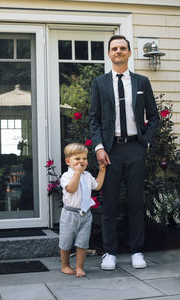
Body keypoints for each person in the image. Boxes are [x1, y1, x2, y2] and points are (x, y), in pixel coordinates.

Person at [89, 35, 159, 270]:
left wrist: (145, 142)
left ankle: (137, 251)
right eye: (114, 49)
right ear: (109, 54)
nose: (118, 51)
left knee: (135, 202)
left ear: (129, 53)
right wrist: (99, 147)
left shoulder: (142, 82)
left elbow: (154, 116)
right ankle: (109, 252)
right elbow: (94, 119)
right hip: (110, 150)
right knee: (109, 203)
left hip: (134, 148)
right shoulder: (99, 83)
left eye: (122, 48)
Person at [59, 142, 106, 277]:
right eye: (77, 159)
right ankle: (65, 265)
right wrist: (77, 173)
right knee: (66, 241)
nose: (81, 161)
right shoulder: (67, 176)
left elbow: (97, 186)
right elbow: (71, 189)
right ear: (68, 161)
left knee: (82, 242)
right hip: (70, 214)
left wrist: (102, 171)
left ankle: (79, 267)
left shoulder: (87, 175)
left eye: (84, 158)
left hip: (85, 214)